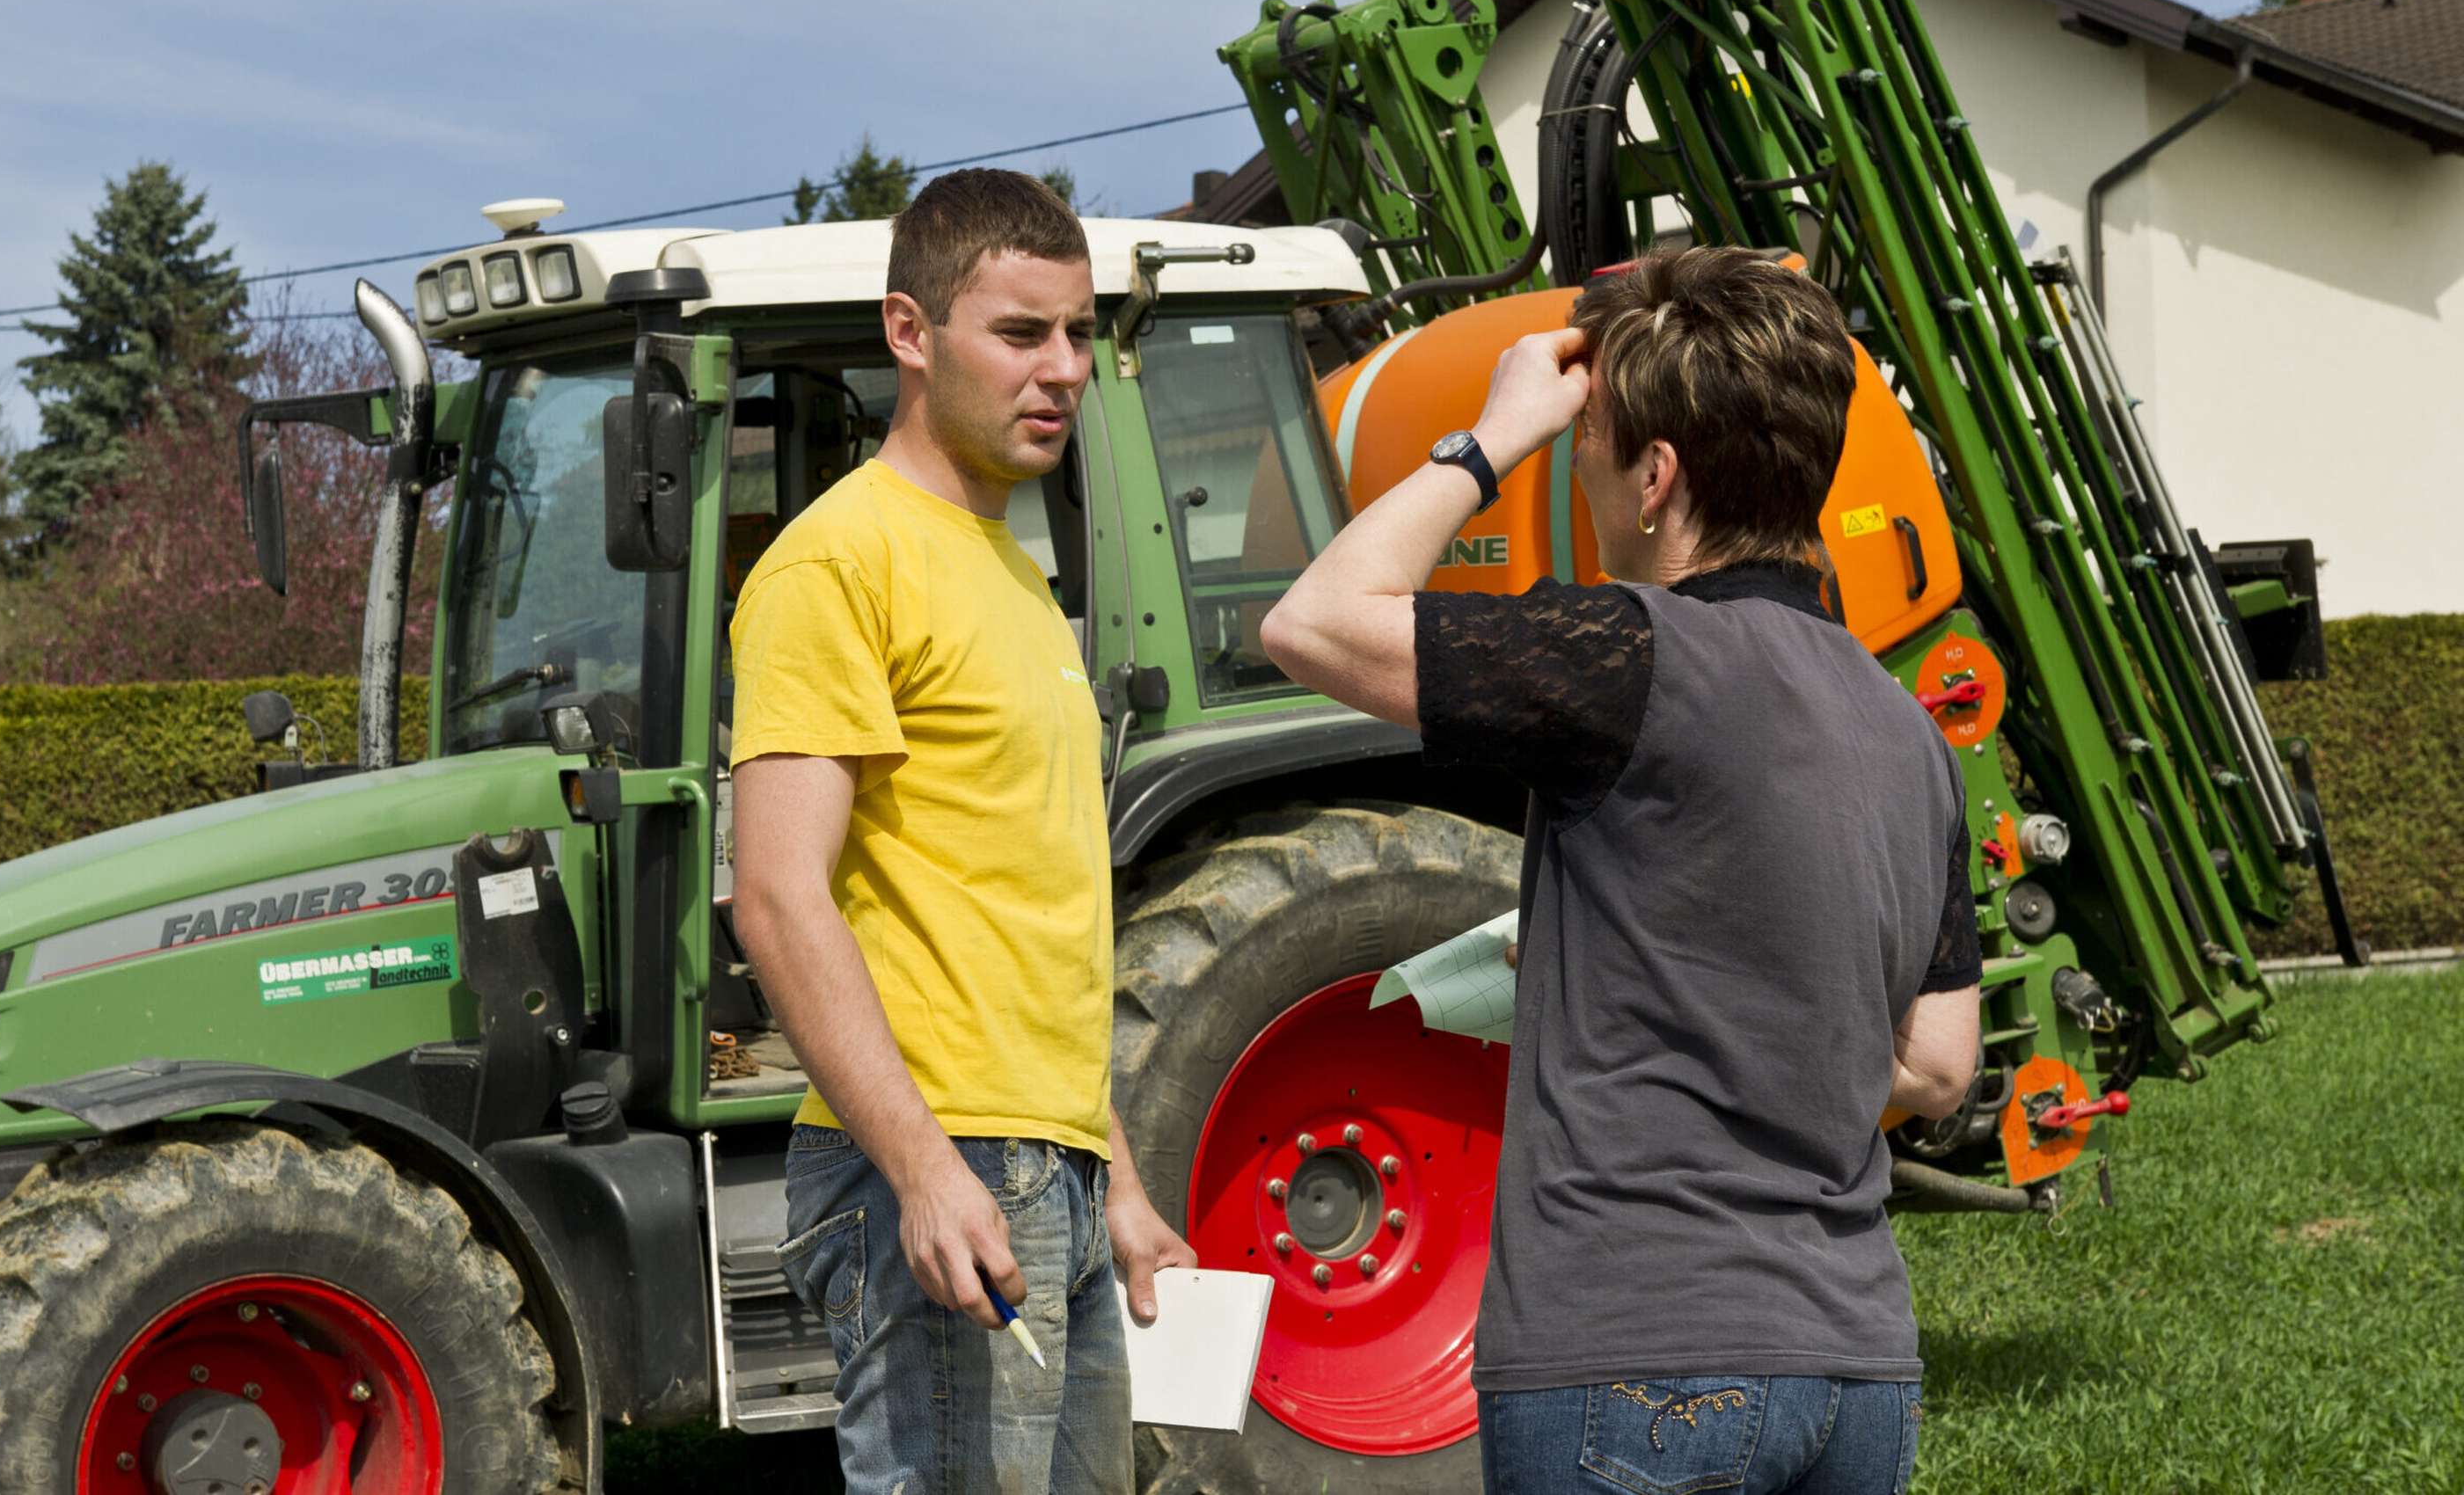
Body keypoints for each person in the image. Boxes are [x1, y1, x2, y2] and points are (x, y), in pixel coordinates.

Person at [1260, 245, 1982, 1493]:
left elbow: (1313, 622)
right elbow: (1938, 1067)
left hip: (1633, 1353)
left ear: (1657, 476)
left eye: (1587, 452)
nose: (1580, 478)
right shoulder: (1906, 730)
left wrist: (1491, 439)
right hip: (1857, 1366)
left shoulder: (1630, 652)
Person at [728, 168, 1195, 1495]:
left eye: (1078, 333)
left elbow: (1020, 916)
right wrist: (926, 1171)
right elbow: (775, 895)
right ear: (909, 333)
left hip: (1047, 1160)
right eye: (1019, 332)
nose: (1062, 369)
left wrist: (1113, 1174)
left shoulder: (1013, 574)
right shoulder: (840, 563)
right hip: (933, 1159)